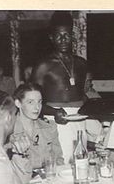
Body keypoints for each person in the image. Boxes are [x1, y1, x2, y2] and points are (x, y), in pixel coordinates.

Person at [31, 11, 99, 161]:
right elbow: (29, 101)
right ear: (51, 37)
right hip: (55, 121)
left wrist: (94, 106)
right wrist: (53, 112)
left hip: (79, 120)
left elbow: (81, 95)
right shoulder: (43, 65)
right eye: (58, 36)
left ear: (72, 35)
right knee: (61, 165)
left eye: (66, 35)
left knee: (80, 161)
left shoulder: (81, 64)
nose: (63, 40)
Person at [11, 83, 64, 169]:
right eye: (30, 102)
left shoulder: (49, 128)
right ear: (18, 103)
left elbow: (58, 159)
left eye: (39, 102)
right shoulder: (9, 131)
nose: (37, 107)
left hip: (47, 178)